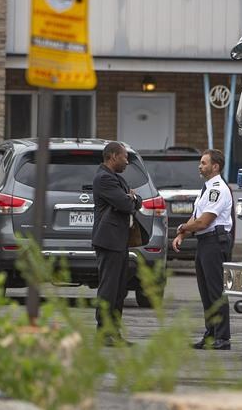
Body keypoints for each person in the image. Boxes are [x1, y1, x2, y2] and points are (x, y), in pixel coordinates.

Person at [172, 148, 234, 350]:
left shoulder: (217, 189)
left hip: (215, 242)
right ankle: (211, 334)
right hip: (205, 242)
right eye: (201, 162)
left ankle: (222, 338)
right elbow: (196, 216)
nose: (200, 166)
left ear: (215, 167)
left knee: (216, 291)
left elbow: (204, 221)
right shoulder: (206, 189)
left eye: (204, 163)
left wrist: (183, 228)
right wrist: (183, 233)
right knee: (206, 292)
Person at [91, 141, 141, 345]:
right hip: (108, 241)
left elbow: (133, 201)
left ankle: (114, 332)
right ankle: (104, 333)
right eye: (124, 157)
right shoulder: (103, 178)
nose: (127, 162)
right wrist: (132, 199)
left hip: (119, 241)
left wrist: (133, 199)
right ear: (113, 156)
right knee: (109, 288)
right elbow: (126, 203)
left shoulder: (115, 178)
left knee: (120, 289)